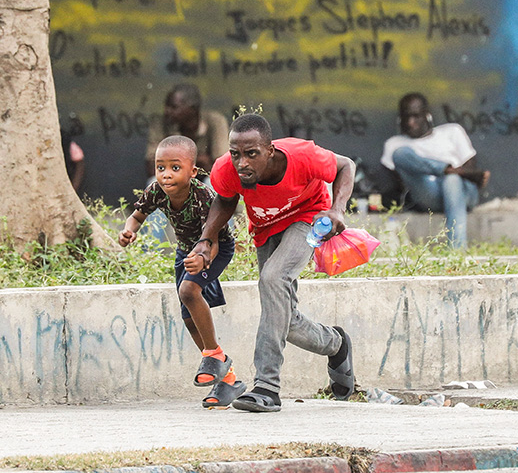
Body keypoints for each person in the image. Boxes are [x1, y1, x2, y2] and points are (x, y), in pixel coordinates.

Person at [188, 114, 356, 413]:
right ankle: (336, 344)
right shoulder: (226, 169)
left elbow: (346, 165)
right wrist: (206, 240)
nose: (242, 163)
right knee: (283, 318)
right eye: (236, 154)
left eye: (251, 154)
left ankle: (267, 387)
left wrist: (338, 209)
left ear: (270, 151)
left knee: (272, 278)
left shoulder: (302, 155)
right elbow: (226, 200)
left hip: (308, 217)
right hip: (266, 228)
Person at [118, 135, 245, 407]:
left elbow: (212, 237)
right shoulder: (155, 191)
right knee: (188, 316)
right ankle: (228, 379)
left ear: (193, 171)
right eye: (160, 167)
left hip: (216, 247)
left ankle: (214, 355)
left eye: (175, 168)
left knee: (189, 290)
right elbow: (137, 215)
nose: (166, 175)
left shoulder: (202, 196)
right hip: (186, 250)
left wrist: (204, 259)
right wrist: (130, 230)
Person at [380, 93, 490, 249]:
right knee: (400, 153)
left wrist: (450, 175)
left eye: (416, 116)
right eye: (406, 117)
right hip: (428, 194)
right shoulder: (394, 143)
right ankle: (447, 170)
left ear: (427, 115)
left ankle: (456, 249)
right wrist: (445, 170)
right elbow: (399, 183)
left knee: (452, 180)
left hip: (462, 194)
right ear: (400, 119)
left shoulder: (452, 132)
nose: (411, 123)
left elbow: (469, 168)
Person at [146, 83, 230, 178]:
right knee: (155, 182)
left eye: (174, 107)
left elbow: (223, 168)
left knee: (215, 183)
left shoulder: (215, 121)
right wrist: (197, 160)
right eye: (166, 106)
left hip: (204, 178)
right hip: (173, 178)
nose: (167, 111)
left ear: (193, 109)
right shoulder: (160, 123)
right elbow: (152, 168)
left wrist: (173, 161)